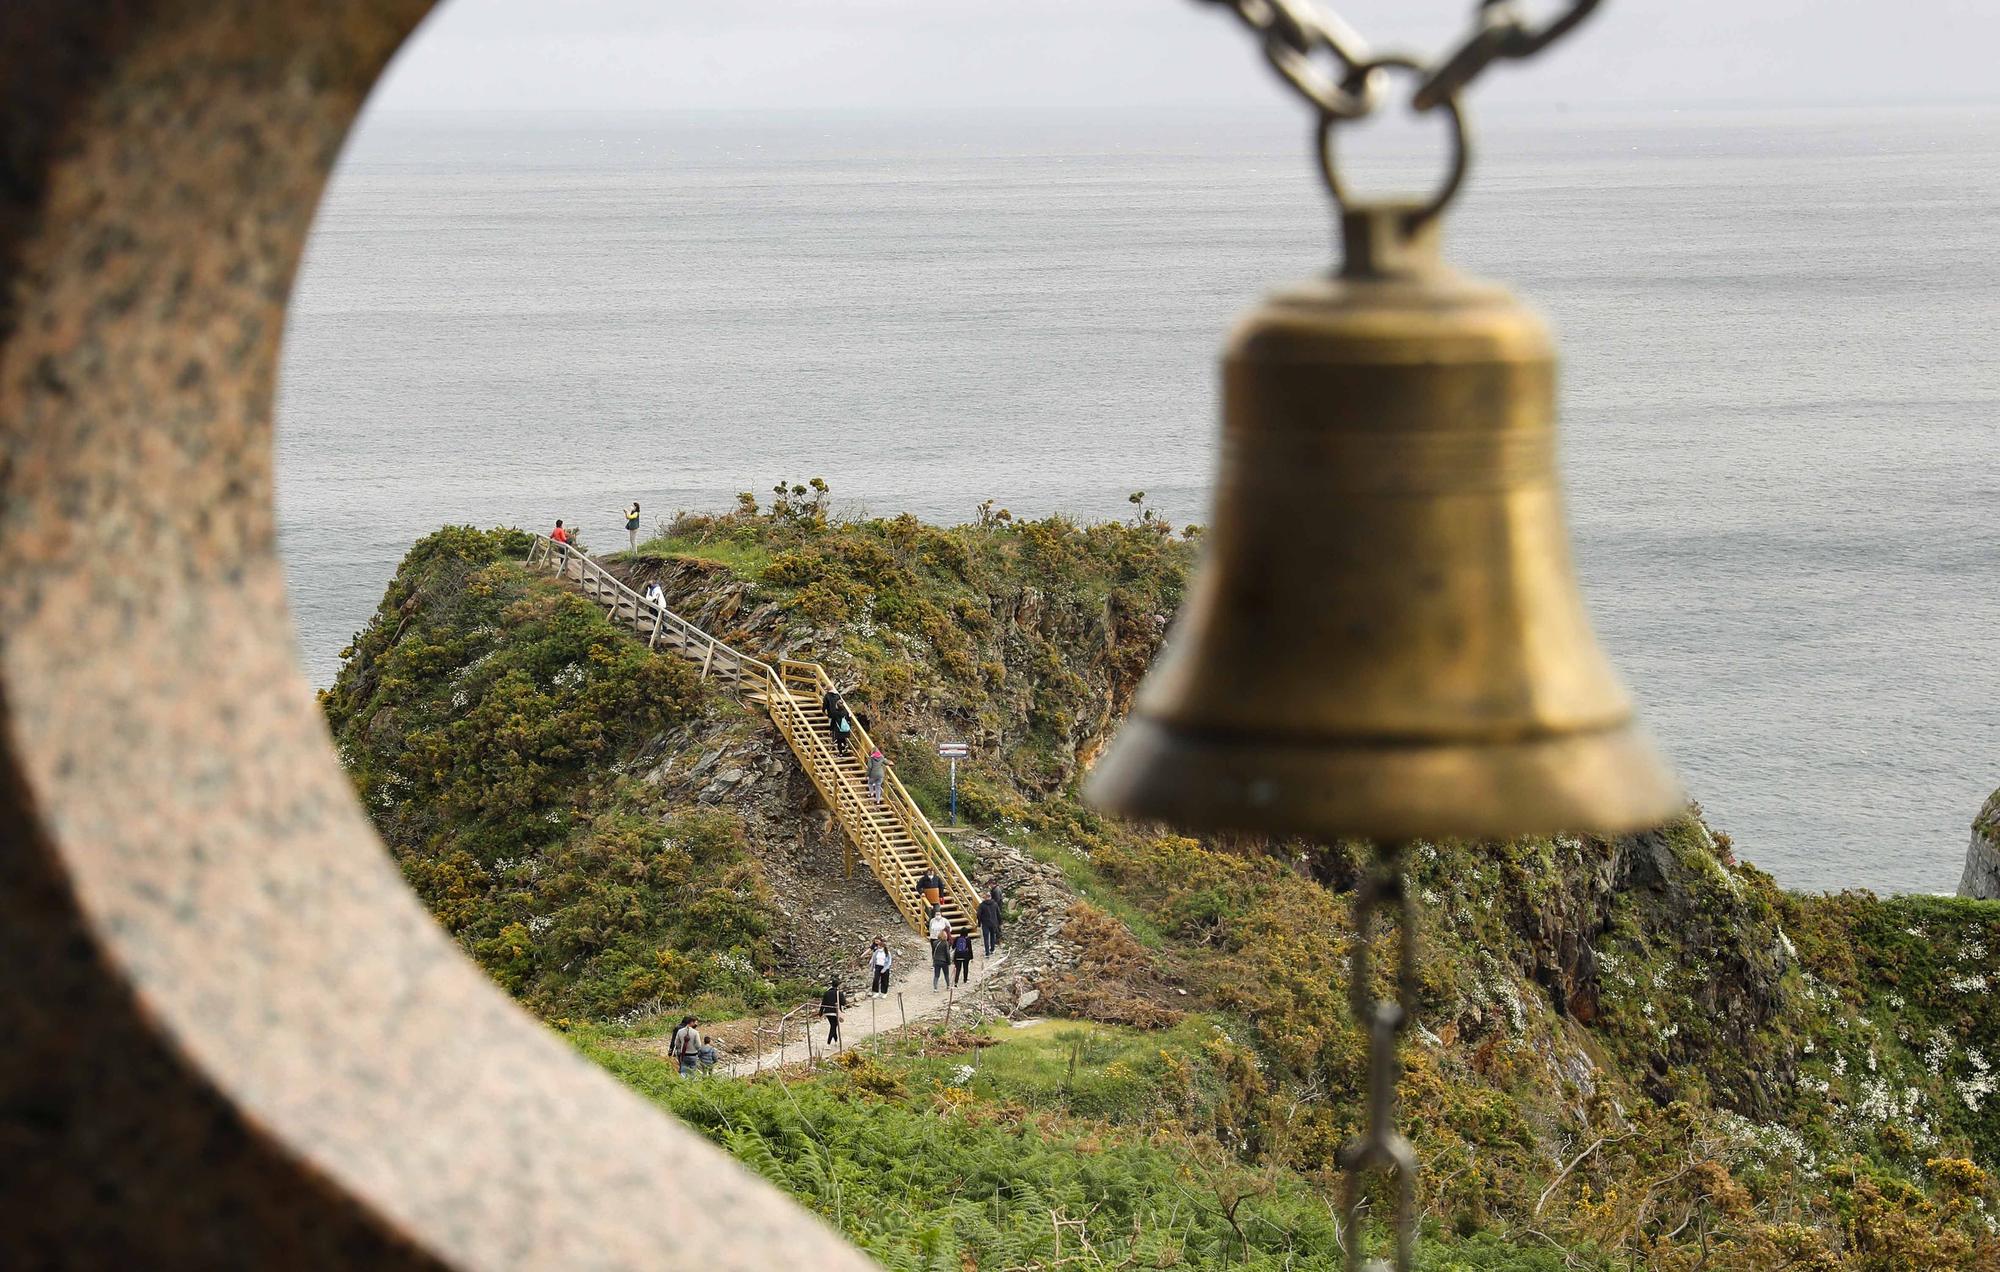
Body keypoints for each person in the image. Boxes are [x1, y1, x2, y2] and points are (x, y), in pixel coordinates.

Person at [819, 975, 848, 1046]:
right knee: (833, 1026)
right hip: (835, 1012)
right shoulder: (839, 993)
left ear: (831, 985)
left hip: (827, 1012)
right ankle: (828, 1043)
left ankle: (836, 1041)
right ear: (838, 985)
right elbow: (844, 1003)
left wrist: (820, 1013)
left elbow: (823, 1003)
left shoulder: (826, 993)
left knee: (833, 1026)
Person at [977, 891, 1001, 957]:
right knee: (993, 936)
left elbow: (978, 915)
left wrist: (979, 923)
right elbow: (998, 914)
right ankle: (992, 949)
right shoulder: (995, 904)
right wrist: (999, 922)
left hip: (985, 923)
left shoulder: (982, 905)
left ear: (985, 897)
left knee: (986, 938)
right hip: (993, 923)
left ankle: (987, 952)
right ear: (990, 897)